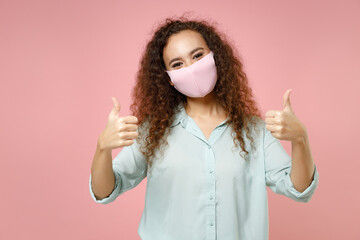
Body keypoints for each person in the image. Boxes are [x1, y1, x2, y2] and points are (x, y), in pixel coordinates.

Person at [89, 16, 319, 240]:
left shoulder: (256, 132)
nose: (191, 68)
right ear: (169, 78)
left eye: (197, 55)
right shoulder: (152, 132)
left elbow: (298, 189)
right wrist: (103, 148)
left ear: (215, 57)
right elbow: (105, 191)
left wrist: (300, 139)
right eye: (177, 64)